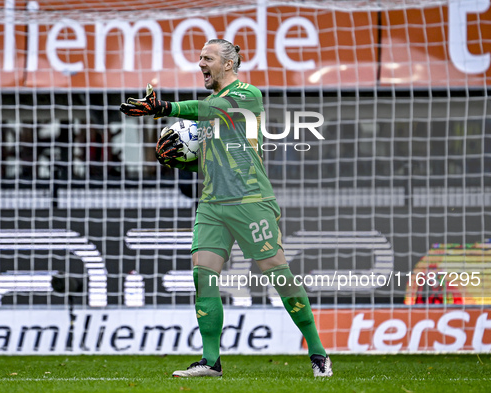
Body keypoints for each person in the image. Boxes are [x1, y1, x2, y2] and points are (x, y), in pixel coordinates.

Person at [120, 38, 332, 378]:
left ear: (228, 64)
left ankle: (318, 353)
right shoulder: (209, 107)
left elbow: (209, 112)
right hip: (212, 205)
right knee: (203, 277)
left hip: (250, 202)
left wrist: (165, 108)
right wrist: (176, 159)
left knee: (278, 274)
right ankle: (210, 361)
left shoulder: (247, 95)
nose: (200, 63)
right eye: (199, 57)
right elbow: (208, 162)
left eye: (207, 58)